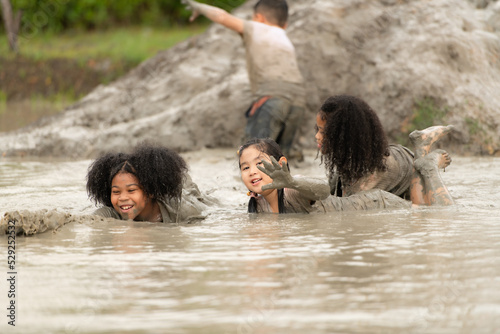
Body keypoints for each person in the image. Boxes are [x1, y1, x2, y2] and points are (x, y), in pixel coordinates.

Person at [182, 0, 306, 159]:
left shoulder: (257, 27)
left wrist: (199, 7)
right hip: (299, 100)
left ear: (259, 17)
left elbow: (222, 16)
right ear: (285, 24)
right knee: (281, 156)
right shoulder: (284, 36)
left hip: (273, 96)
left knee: (254, 152)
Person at [315, 94, 454, 205]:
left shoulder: (370, 174)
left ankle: (425, 156)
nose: (317, 136)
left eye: (322, 132)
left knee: (425, 206)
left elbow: (347, 208)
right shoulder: (351, 160)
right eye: (317, 130)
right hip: (393, 157)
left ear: (343, 136)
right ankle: (421, 144)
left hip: (403, 166)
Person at [238, 138, 413, 214]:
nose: (252, 171)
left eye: (259, 163)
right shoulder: (258, 205)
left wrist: (292, 182)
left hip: (376, 204)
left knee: (425, 208)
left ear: (281, 163)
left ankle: (426, 160)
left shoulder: (292, 190)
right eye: (245, 167)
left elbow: (322, 190)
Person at [86, 142, 211, 223]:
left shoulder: (184, 212)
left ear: (150, 191)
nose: (122, 198)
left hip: (189, 195)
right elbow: (86, 221)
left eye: (131, 190)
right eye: (116, 192)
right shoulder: (113, 213)